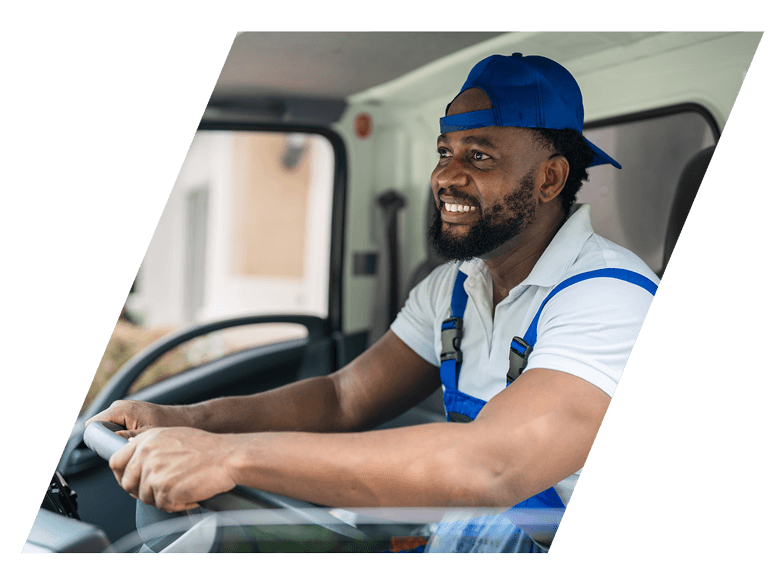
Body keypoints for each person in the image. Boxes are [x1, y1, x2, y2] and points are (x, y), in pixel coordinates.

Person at [86, 54, 659, 552]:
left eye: (479, 156)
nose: (447, 177)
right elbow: (343, 398)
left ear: (550, 178)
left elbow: (493, 465)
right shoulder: (454, 287)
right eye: (444, 151)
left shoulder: (608, 298)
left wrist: (229, 457)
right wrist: (184, 421)